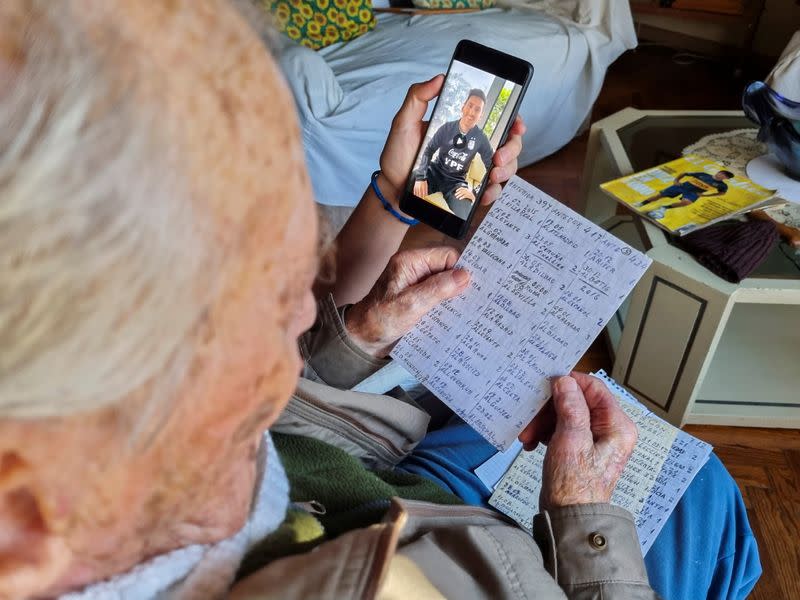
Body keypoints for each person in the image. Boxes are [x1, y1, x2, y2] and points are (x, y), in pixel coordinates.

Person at [0, 2, 760, 599]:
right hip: (485, 530)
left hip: (372, 470)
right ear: (27, 522)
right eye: (261, 308)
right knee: (710, 506)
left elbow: (270, 419)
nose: (307, 315)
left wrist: (355, 332)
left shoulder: (122, 466)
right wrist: (586, 523)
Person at [412, 88, 495, 219]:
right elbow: (429, 150)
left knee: (465, 214)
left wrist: (475, 192)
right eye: (470, 106)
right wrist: (421, 177)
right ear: (463, 107)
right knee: (408, 182)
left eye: (477, 109)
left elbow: (493, 166)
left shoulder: (481, 138)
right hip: (434, 172)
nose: (472, 112)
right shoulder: (447, 128)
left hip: (456, 183)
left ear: (481, 116)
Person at [634, 170, 734, 220]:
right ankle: (642, 203)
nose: (722, 175)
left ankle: (664, 208)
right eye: (722, 173)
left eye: (725, 176)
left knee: (686, 203)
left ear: (726, 178)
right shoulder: (703, 174)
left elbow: (722, 193)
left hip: (693, 193)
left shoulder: (722, 185)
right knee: (659, 196)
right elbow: (685, 173)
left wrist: (704, 196)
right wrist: (676, 180)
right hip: (682, 186)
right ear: (719, 172)